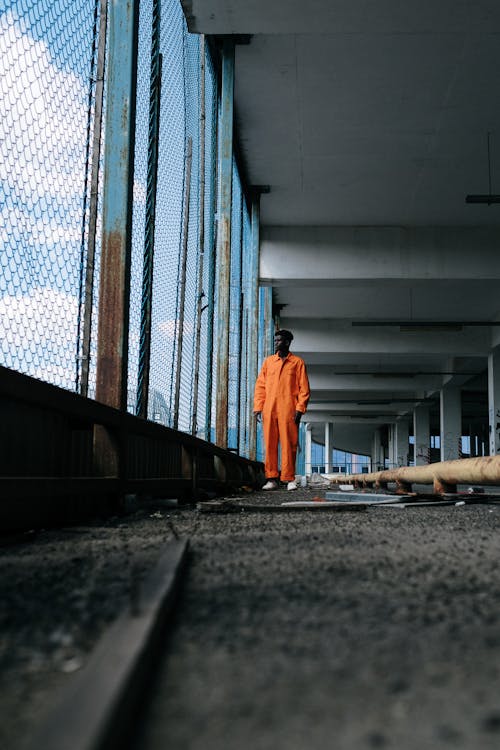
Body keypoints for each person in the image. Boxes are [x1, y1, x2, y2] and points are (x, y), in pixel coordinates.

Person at [253, 329, 310, 491]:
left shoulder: (297, 362)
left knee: (289, 444)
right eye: (275, 340)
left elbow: (304, 388)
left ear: (287, 342)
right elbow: (260, 386)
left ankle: (288, 478)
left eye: (279, 340)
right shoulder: (269, 362)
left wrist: (300, 409)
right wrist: (258, 407)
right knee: (270, 443)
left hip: (289, 409)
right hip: (269, 408)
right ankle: (271, 478)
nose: (275, 342)